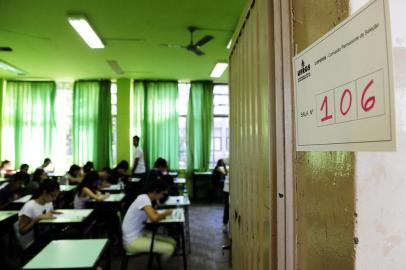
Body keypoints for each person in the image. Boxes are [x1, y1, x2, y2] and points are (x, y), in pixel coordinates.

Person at [122, 178, 176, 261]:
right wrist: (165, 213)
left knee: (173, 241)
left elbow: (154, 213)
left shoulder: (146, 198)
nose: (162, 196)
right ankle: (159, 266)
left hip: (139, 233)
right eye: (162, 193)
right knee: (169, 248)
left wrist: (160, 214)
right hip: (131, 241)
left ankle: (158, 262)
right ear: (155, 191)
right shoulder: (144, 199)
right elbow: (154, 218)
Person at [18, 179, 60, 250]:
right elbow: (22, 231)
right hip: (32, 242)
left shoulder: (48, 203)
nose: (54, 199)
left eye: (56, 196)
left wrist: (53, 213)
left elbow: (48, 214)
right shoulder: (29, 206)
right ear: (44, 192)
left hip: (44, 236)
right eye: (53, 196)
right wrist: (37, 219)